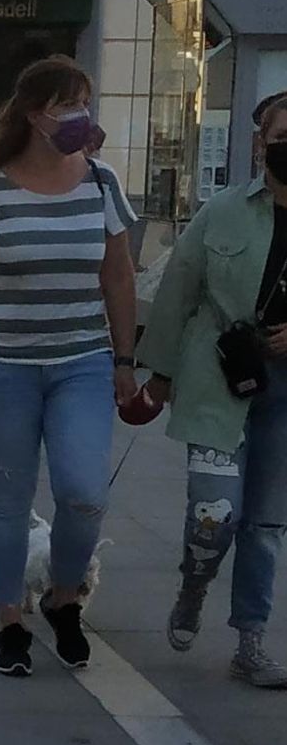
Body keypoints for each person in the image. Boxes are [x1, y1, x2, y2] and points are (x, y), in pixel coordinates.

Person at [0, 55, 138, 678]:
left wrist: (125, 359)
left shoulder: (102, 183)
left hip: (82, 363)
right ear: (34, 115)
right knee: (8, 500)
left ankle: (64, 596)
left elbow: (118, 276)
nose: (80, 117)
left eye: (84, 103)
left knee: (83, 493)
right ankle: (10, 621)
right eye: (68, 105)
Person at [138, 91, 287, 688]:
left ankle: (250, 641)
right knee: (214, 512)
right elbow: (178, 290)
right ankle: (195, 583)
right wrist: (159, 371)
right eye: (282, 137)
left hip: (284, 397)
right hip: (216, 380)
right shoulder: (222, 211)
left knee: (267, 523)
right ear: (261, 143)